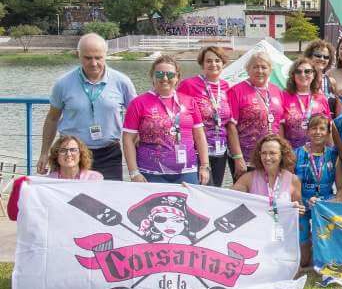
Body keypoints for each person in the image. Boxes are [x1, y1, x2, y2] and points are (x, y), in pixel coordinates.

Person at [40, 33, 137, 180]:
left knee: (109, 194)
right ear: (78, 55)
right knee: (70, 194)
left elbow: (136, 118)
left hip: (109, 155)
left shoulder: (122, 82)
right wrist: (44, 153)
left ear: (106, 55)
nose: (93, 63)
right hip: (71, 154)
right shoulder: (63, 83)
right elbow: (52, 119)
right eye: (88, 58)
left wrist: (136, 159)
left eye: (98, 58)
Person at [122, 54, 210, 184]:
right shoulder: (138, 103)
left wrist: (204, 166)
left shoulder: (189, 101)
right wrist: (134, 172)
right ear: (152, 76)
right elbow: (128, 139)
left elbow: (199, 136)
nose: (164, 78)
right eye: (159, 74)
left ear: (177, 77)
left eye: (170, 74)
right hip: (151, 172)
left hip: (187, 171)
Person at [232, 134, 305, 242]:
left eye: (272, 153)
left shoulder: (293, 180)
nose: (267, 158)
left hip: (282, 236)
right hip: (256, 236)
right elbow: (230, 201)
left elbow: (298, 210)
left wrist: (300, 210)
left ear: (282, 155)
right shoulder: (248, 178)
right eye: (264, 153)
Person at [177, 46, 234, 186]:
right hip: (196, 151)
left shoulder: (227, 87)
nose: (213, 64)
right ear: (202, 64)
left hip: (220, 151)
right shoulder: (188, 85)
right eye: (208, 61)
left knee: (215, 191)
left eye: (217, 60)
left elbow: (229, 122)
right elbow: (175, 113)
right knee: (203, 189)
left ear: (223, 63)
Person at [226, 51, 286, 179]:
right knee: (246, 191)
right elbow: (231, 127)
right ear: (248, 70)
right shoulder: (236, 91)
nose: (260, 71)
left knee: (270, 190)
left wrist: (281, 152)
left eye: (264, 67)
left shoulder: (276, 90)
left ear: (270, 70)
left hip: (272, 157)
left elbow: (280, 124)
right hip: (247, 157)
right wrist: (238, 157)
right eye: (255, 67)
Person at [296, 115, 341, 267]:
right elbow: (290, 185)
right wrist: (300, 202)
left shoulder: (333, 155)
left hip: (324, 204)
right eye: (314, 128)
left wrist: (327, 202)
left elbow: (341, 189)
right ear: (307, 131)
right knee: (303, 261)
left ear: (328, 133)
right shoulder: (296, 154)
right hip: (302, 203)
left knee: (324, 253)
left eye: (322, 129)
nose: (317, 132)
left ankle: (324, 258)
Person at [281, 57, 333, 152]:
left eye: (307, 71)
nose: (303, 74)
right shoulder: (284, 96)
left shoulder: (321, 98)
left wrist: (330, 152)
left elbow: (328, 128)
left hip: (318, 153)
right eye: (298, 72)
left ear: (313, 75)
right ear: (293, 75)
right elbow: (280, 128)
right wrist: (284, 152)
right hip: (292, 153)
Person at [304, 40, 340, 114]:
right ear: (309, 56)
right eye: (318, 55)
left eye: (326, 57)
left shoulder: (331, 82)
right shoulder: (302, 80)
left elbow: (337, 108)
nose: (322, 59)